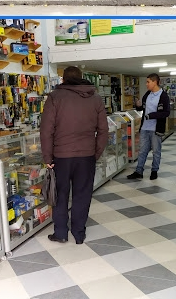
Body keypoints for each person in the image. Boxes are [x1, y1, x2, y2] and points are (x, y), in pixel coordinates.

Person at [39, 66, 107, 244]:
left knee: (60, 195)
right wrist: (95, 153)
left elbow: (46, 131)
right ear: (82, 78)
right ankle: (79, 233)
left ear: (63, 79)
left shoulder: (55, 97)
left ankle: (61, 232)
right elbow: (103, 130)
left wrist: (48, 157)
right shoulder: (95, 98)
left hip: (61, 157)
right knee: (82, 195)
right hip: (86, 156)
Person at [128, 73, 171, 181]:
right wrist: (138, 105)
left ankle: (154, 171)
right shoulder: (147, 94)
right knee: (142, 151)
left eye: (148, 82)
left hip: (156, 129)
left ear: (155, 82)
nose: (146, 84)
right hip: (144, 128)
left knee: (156, 151)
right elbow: (141, 108)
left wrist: (152, 115)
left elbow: (166, 113)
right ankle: (139, 171)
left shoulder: (163, 96)